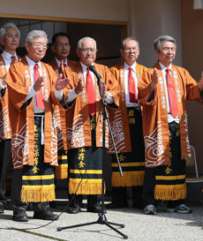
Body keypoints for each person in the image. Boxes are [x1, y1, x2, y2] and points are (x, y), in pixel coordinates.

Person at [5, 31, 71, 222]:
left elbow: (57, 97)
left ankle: (42, 206)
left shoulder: (49, 69)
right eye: (38, 45)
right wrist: (34, 88)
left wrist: (59, 90)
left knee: (46, 163)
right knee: (25, 164)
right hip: (26, 122)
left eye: (44, 45)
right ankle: (19, 206)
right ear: (27, 46)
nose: (41, 48)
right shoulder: (17, 68)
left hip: (46, 121)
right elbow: (16, 94)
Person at [138, 35, 203, 214]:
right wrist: (151, 87)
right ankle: (150, 201)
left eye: (172, 49)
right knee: (155, 163)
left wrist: (201, 83)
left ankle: (176, 201)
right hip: (157, 125)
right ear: (157, 52)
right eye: (166, 49)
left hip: (177, 124)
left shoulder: (181, 72)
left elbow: (193, 92)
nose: (170, 52)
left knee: (177, 162)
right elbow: (143, 98)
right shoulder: (148, 73)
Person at [63, 37, 120, 214]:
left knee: (97, 162)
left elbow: (115, 93)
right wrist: (75, 91)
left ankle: (96, 202)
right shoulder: (69, 70)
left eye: (92, 50)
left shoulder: (103, 70)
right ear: (78, 52)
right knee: (78, 160)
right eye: (85, 50)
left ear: (96, 52)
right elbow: (64, 96)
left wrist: (107, 95)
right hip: (79, 121)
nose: (89, 53)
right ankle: (75, 202)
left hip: (99, 121)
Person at [107, 37, 150, 209]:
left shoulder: (145, 71)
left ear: (138, 51)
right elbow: (110, 94)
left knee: (140, 157)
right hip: (120, 116)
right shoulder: (113, 71)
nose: (131, 52)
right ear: (121, 52)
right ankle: (119, 199)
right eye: (127, 49)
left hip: (140, 117)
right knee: (121, 157)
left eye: (134, 49)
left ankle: (140, 199)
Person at [0, 22, 22, 214]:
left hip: (23, 116)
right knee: (1, 159)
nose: (14, 39)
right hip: (4, 115)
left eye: (17, 35)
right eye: (10, 36)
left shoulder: (24, 62)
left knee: (22, 158)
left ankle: (20, 197)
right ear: (2, 40)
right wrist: (2, 82)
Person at [49, 32, 72, 183]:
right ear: (53, 48)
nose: (64, 48)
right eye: (60, 44)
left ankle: (73, 195)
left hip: (72, 116)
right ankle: (50, 195)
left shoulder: (75, 67)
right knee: (51, 153)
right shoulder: (47, 67)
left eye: (66, 44)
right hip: (53, 116)